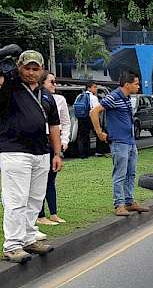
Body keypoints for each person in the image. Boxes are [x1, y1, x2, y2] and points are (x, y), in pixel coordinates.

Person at [0, 51, 63, 262]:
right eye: (27, 68)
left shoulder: (46, 95)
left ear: (42, 70)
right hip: (15, 150)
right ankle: (12, 245)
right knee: (16, 200)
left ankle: (28, 238)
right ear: (19, 67)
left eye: (35, 69)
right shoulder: (10, 87)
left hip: (41, 152)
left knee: (35, 199)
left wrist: (57, 153)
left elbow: (54, 126)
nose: (31, 73)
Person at [89, 71, 150, 217]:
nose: (138, 86)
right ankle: (119, 204)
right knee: (120, 173)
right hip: (119, 142)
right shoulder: (114, 97)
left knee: (131, 173)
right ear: (127, 84)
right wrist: (99, 132)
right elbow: (94, 112)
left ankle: (129, 201)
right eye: (136, 83)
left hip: (130, 141)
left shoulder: (127, 98)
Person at [36, 72, 70, 227]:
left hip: (54, 142)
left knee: (51, 179)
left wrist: (64, 141)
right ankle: (40, 214)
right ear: (42, 83)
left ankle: (54, 213)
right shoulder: (36, 98)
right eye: (51, 82)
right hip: (40, 142)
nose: (54, 85)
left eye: (55, 81)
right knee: (40, 179)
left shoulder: (59, 99)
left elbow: (65, 122)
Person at [74, 82, 100, 158]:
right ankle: (98, 151)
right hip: (90, 118)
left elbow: (75, 106)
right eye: (94, 87)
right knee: (98, 133)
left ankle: (82, 154)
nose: (96, 89)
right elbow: (96, 109)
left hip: (81, 118)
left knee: (82, 136)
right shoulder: (93, 97)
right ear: (89, 88)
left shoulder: (79, 96)